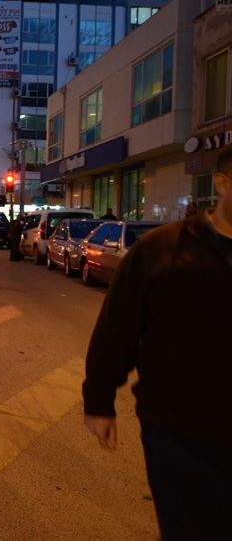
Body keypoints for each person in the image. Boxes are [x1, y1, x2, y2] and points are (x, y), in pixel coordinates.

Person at [82, 148, 232, 539]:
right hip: (179, 434)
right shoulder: (161, 250)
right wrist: (99, 402)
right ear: (222, 183)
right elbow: (116, 330)